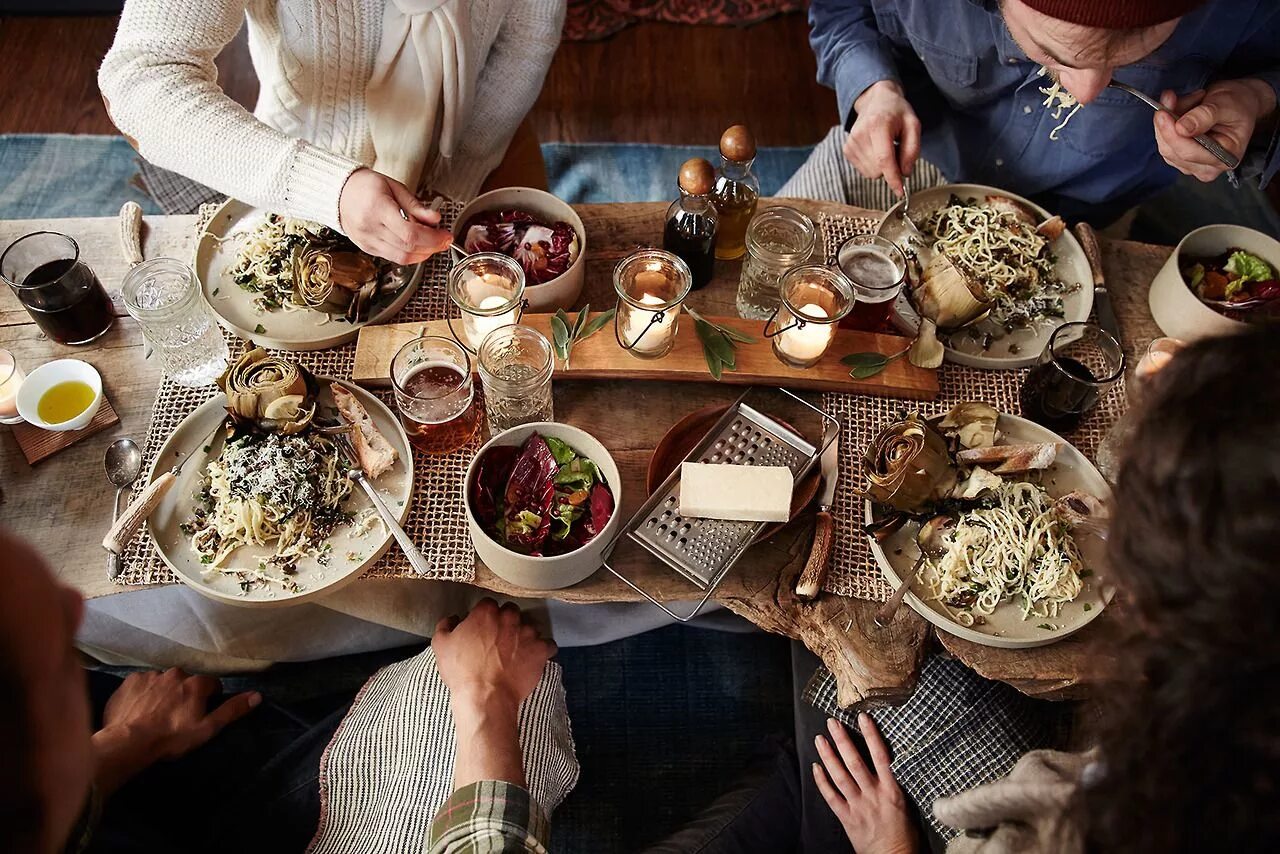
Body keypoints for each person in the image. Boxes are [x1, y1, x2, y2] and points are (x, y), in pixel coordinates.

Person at [809, 325, 1280, 853]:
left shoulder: (1115, 821)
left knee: (840, 724)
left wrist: (889, 846)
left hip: (920, 821)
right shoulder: (1225, 726)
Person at [0, 528, 561, 854]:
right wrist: (486, 694)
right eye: (43, 641)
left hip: (117, 798)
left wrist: (128, 739)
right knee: (513, 685)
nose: (75, 609)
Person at [98, 0, 566, 265]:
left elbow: (527, 41)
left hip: (480, 140)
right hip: (304, 172)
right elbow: (140, 77)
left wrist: (457, 178)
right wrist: (329, 189)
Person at [787, 0, 1280, 238]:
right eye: (1051, 51)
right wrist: (874, 90)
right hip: (908, 158)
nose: (1086, 92)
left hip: (1086, 212)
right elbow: (842, 13)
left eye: (1138, 50)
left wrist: (1258, 97)